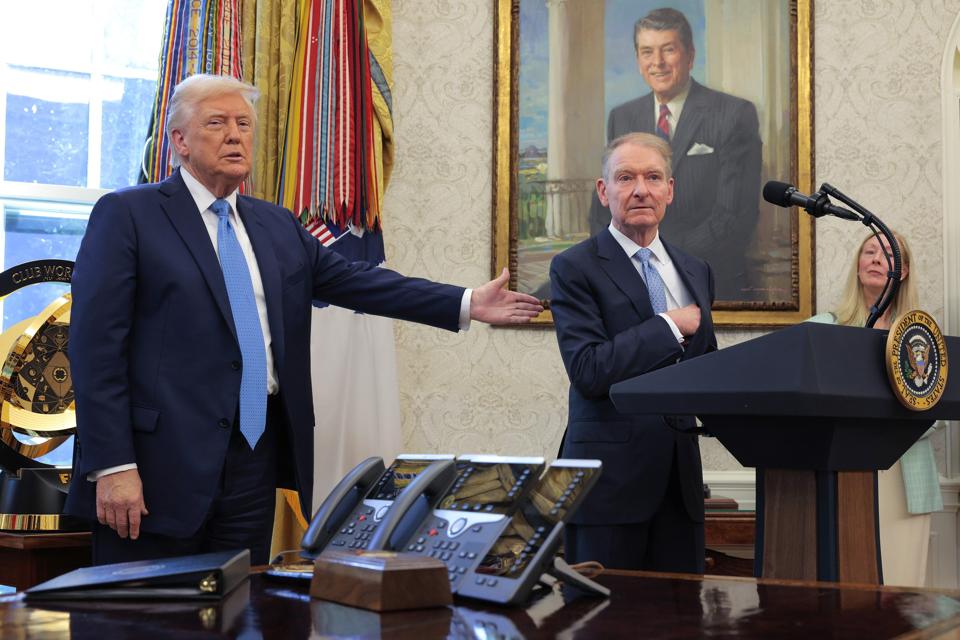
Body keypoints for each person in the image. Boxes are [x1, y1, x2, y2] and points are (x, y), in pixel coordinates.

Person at [64, 74, 543, 566]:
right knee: (144, 615)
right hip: (157, 465)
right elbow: (95, 349)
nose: (235, 135)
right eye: (217, 123)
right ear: (179, 141)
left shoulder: (277, 225)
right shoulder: (129, 214)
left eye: (244, 124)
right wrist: (113, 465)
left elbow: (362, 283)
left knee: (238, 613)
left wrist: (465, 301)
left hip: (256, 456)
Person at [550, 132, 717, 572]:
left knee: (683, 620)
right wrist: (669, 325)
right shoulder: (574, 267)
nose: (640, 189)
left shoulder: (696, 270)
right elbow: (588, 369)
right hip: (607, 484)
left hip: (680, 487)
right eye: (626, 177)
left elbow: (706, 372)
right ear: (604, 192)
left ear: (670, 190)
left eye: (652, 177)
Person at [588, 7, 761, 301]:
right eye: (647, 52)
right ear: (638, 59)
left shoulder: (734, 114)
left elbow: (733, 218)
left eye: (668, 50)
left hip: (708, 281)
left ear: (690, 56)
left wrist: (656, 257)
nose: (657, 63)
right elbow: (602, 210)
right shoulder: (622, 117)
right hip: (631, 283)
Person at [809, 231, 942, 587]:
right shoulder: (824, 329)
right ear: (857, 266)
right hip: (846, 471)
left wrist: (885, 421)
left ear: (904, 271)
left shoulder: (922, 334)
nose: (876, 259)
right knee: (852, 589)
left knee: (903, 589)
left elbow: (936, 411)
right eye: (869, 251)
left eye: (887, 254)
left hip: (906, 475)